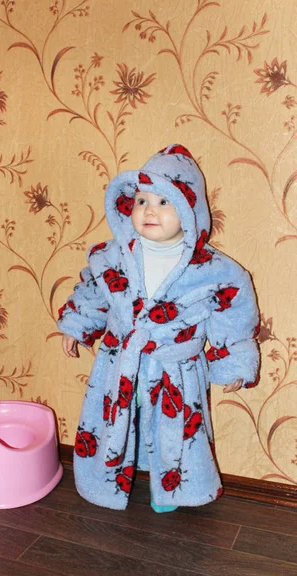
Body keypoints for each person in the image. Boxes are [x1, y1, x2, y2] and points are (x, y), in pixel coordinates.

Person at [57, 144, 260, 511]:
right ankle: (108, 481)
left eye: (164, 202)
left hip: (175, 368)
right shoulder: (113, 256)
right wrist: (76, 325)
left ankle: (169, 490)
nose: (150, 210)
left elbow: (234, 314)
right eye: (141, 201)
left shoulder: (214, 270)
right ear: (126, 207)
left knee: (172, 431)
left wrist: (234, 360)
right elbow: (93, 291)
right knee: (120, 417)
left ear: (189, 210)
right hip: (120, 363)